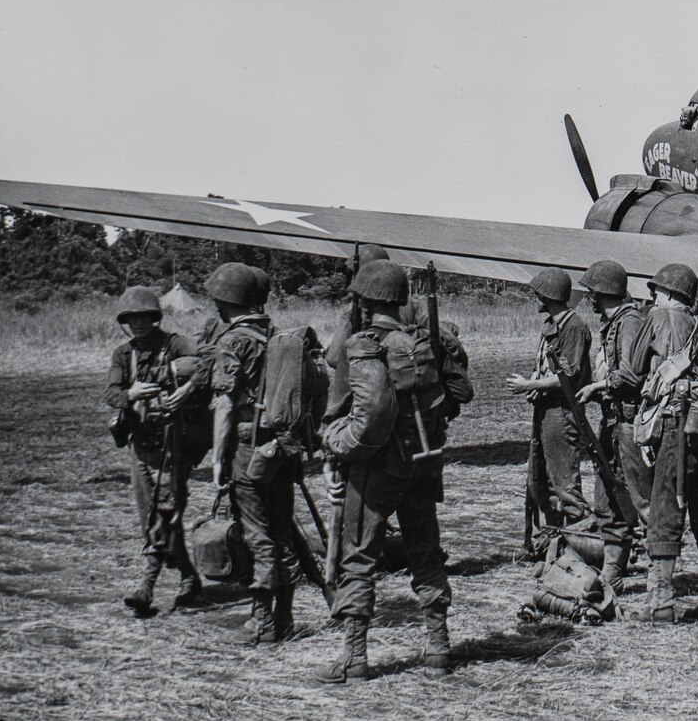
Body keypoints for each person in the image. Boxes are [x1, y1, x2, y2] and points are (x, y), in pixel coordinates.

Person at [315, 259, 456, 683]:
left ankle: (353, 659)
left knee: (358, 556)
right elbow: (451, 400)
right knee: (425, 551)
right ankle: (438, 647)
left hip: (375, 467)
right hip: (423, 461)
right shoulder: (420, 343)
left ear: (363, 300)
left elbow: (348, 411)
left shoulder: (361, 346)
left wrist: (334, 450)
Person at [619, 262, 698, 621]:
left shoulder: (659, 315)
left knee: (665, 501)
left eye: (656, 291)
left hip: (675, 418)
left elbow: (633, 372)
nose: (652, 296)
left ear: (665, 293)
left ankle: (662, 602)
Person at [207, 261, 304, 646]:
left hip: (248, 449)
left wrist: (217, 458)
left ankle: (262, 624)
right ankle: (285, 618)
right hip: (281, 446)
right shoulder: (280, 336)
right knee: (281, 531)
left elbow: (226, 405)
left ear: (224, 300)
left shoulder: (234, 341)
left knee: (256, 535)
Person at [104, 286, 208, 616]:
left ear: (154, 317)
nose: (138, 324)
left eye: (144, 318)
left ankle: (146, 585)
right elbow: (111, 392)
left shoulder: (175, 344)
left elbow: (207, 364)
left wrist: (186, 385)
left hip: (172, 442)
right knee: (152, 514)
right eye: (131, 319)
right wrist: (131, 394)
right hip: (139, 445)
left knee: (165, 511)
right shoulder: (123, 355)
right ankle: (189, 576)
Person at [574, 259, 650, 588]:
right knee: (608, 501)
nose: (588, 298)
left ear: (604, 293)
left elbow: (632, 374)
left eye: (592, 292)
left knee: (642, 503)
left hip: (631, 424)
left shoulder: (630, 321)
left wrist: (598, 386)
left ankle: (661, 579)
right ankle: (613, 573)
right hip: (613, 421)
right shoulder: (614, 322)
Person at [507, 268, 593, 540]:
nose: (536, 298)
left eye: (539, 294)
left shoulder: (574, 326)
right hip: (546, 410)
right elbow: (547, 367)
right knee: (541, 482)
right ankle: (554, 538)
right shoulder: (551, 326)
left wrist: (528, 386)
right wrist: (535, 379)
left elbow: (567, 377)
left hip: (562, 412)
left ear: (550, 295)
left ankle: (580, 543)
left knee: (565, 485)